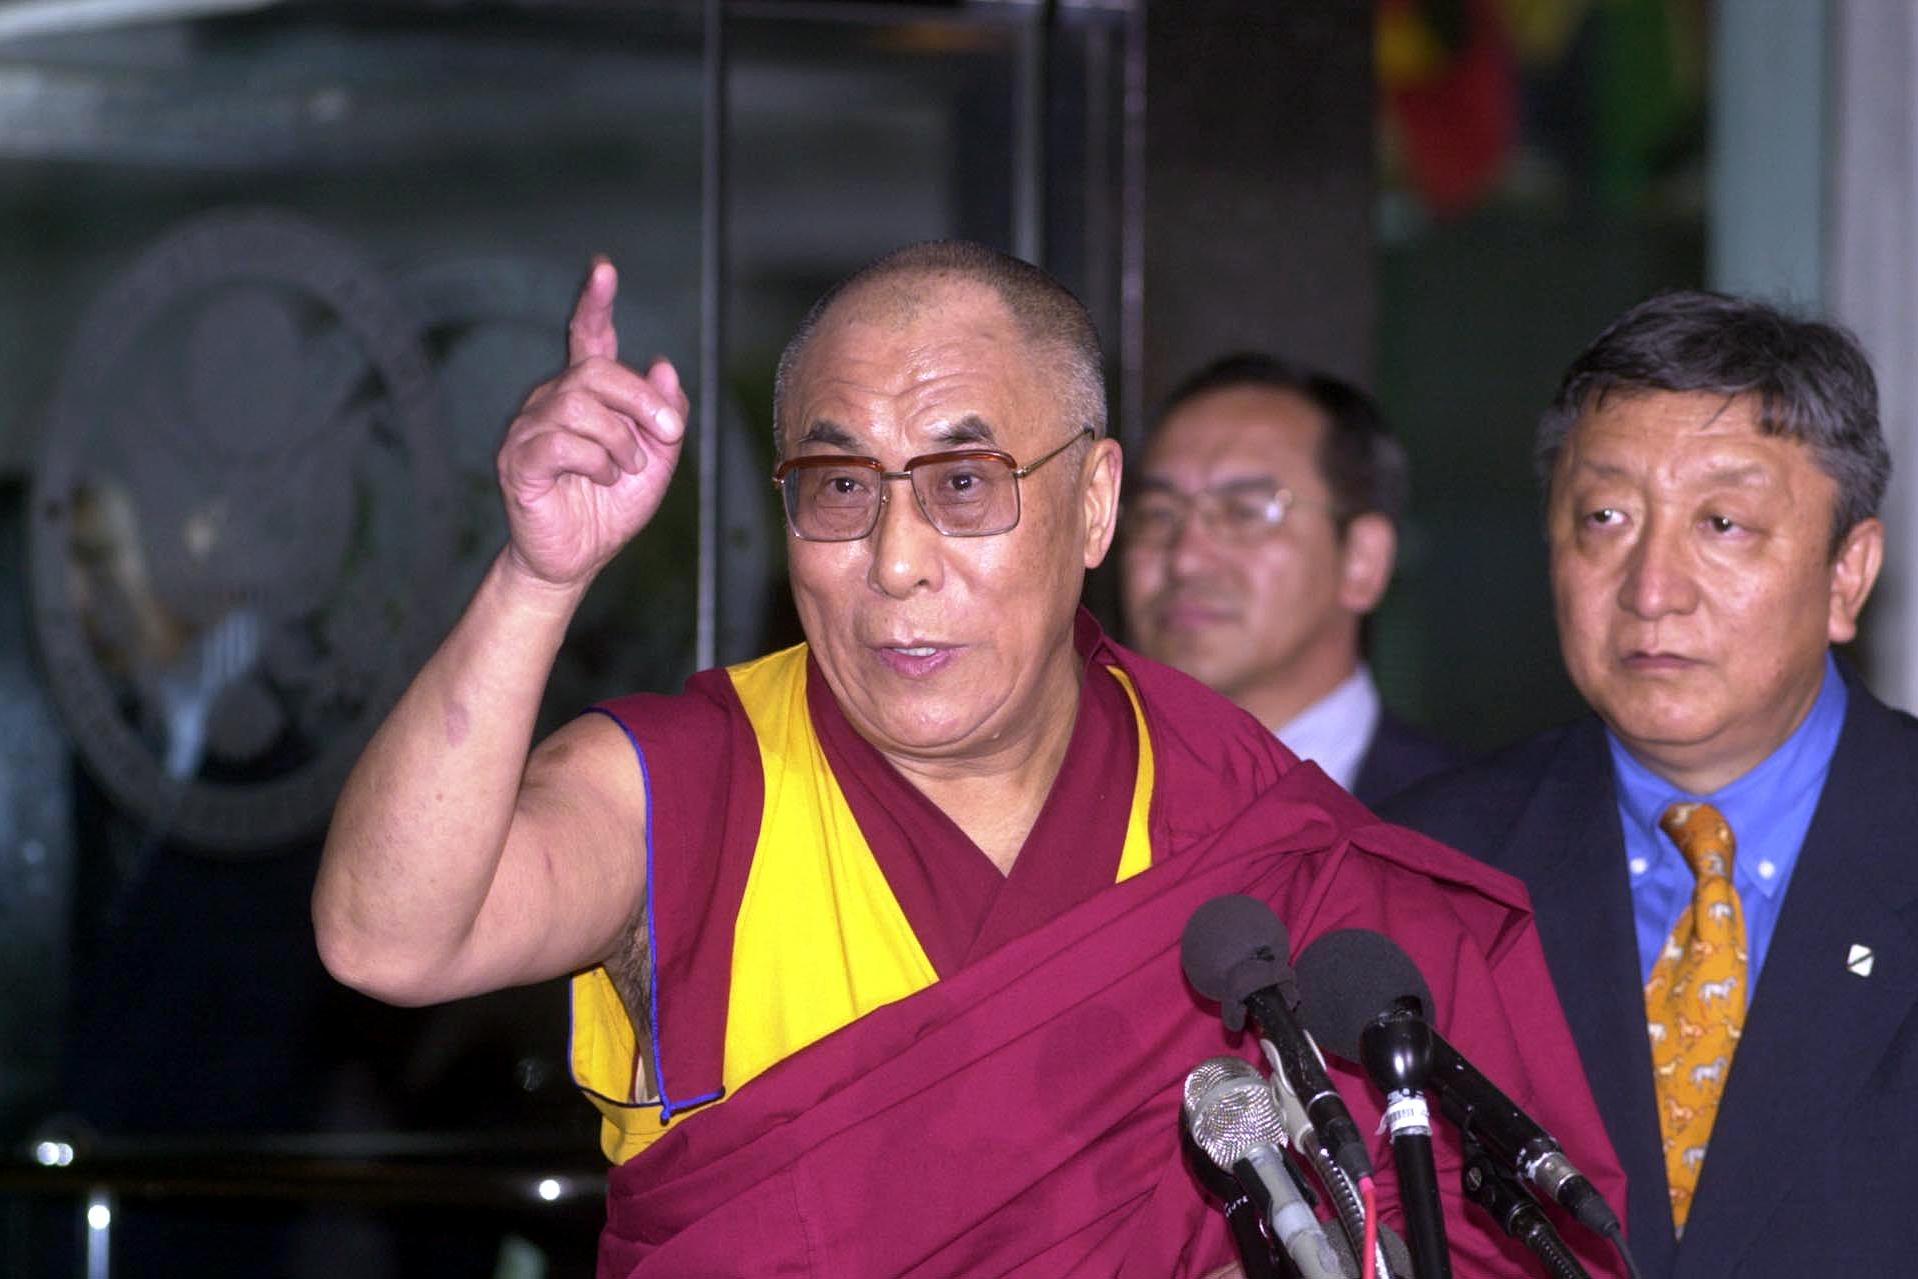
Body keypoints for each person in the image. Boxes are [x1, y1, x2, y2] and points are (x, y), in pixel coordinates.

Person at [314, 241, 1624, 1277]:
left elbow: (1468, 1221)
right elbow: (391, 935)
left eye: (961, 485)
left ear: (1095, 501)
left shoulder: (1244, 826)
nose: (892, 561)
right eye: (839, 488)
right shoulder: (698, 780)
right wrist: (538, 578)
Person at [1385, 290, 1914, 1278]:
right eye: (1606, 517)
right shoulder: (1428, 870)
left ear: (1847, 574)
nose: (1651, 586)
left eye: (1722, 522)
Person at [1120, 355, 1459, 806]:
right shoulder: (1066, 805)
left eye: (1244, 513)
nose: (1185, 559)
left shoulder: (1472, 828)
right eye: (1157, 514)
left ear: (1363, 560)